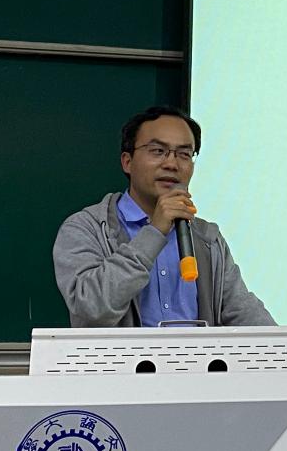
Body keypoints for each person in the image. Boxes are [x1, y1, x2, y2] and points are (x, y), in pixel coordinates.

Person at [53, 106, 274, 327]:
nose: (172, 164)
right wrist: (155, 232)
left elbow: (245, 314)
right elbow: (91, 310)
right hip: (127, 352)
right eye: (158, 151)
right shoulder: (87, 228)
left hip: (196, 351)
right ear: (127, 162)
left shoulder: (206, 238)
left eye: (184, 154)